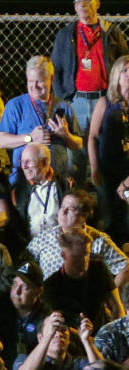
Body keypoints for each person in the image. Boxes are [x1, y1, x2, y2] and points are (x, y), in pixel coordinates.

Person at [0, 55, 83, 185]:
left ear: (51, 79)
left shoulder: (63, 106)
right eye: (30, 81)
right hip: (26, 179)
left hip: (56, 178)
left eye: (39, 81)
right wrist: (30, 138)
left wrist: (65, 135)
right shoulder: (16, 105)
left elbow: (78, 144)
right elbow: (2, 141)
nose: (34, 86)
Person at [51, 0, 128, 134]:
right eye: (78, 1)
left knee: (104, 148)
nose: (82, 4)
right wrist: (64, 97)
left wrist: (118, 96)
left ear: (97, 4)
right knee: (76, 149)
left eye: (87, 0)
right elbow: (55, 69)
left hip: (105, 100)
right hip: (76, 101)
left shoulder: (112, 32)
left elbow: (125, 63)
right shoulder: (66, 34)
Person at [26, 190, 129, 287]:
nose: (63, 212)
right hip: (51, 299)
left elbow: (125, 269)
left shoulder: (98, 241)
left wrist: (110, 295)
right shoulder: (45, 236)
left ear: (84, 215)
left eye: (70, 209)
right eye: (62, 207)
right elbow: (25, 262)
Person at [44, 227, 124, 329]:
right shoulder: (51, 286)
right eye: (78, 257)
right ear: (63, 255)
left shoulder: (99, 269)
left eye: (87, 254)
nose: (84, 261)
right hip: (73, 338)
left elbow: (117, 307)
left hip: (102, 334)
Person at [88, 54, 129, 242]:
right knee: (108, 216)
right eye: (125, 71)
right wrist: (95, 168)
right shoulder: (105, 103)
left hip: (127, 174)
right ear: (116, 75)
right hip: (107, 170)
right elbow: (93, 136)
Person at [15, 311, 100, 370]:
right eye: (53, 329)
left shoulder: (79, 363)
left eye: (63, 330)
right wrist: (48, 336)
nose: (58, 334)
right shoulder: (25, 359)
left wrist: (86, 340)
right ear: (40, 338)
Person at [12, 143, 69, 242]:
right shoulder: (18, 190)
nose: (24, 166)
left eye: (29, 161)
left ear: (44, 162)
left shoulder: (64, 185)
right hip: (30, 245)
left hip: (59, 243)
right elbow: (17, 226)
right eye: (22, 162)